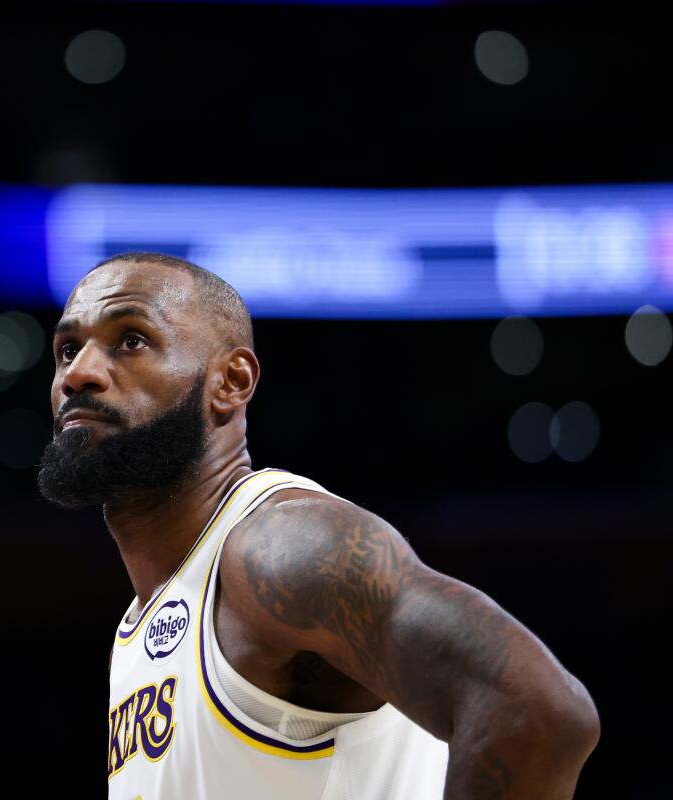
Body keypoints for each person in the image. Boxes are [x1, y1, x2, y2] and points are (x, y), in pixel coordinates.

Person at [37, 252, 600, 799]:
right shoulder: (139, 627)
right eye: (66, 350)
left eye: (131, 340)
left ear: (230, 382)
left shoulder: (280, 548)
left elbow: (537, 709)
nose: (78, 374)